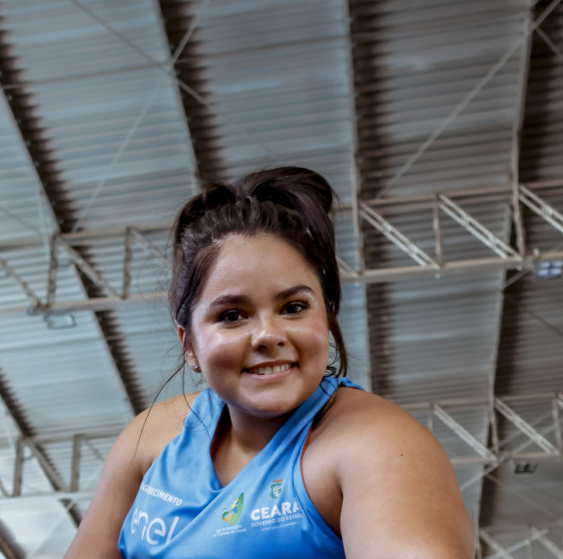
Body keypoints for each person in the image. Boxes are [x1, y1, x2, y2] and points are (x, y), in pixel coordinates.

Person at [64, 167, 473, 558]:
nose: (268, 334)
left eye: (294, 307)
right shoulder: (149, 439)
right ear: (189, 346)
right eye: (232, 315)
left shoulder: (379, 445)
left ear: (326, 319)